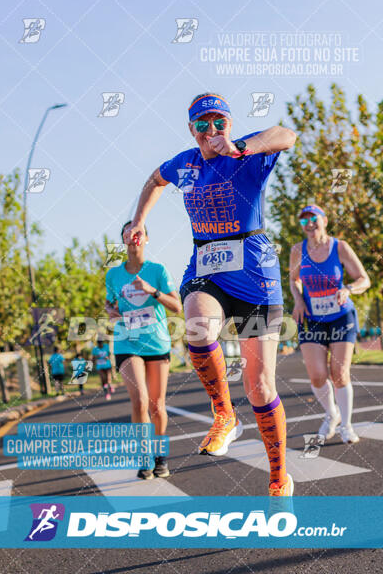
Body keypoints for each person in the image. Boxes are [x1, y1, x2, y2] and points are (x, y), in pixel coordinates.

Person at [123, 92, 297, 497]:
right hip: (207, 266)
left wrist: (242, 147)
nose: (211, 131)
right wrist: (139, 221)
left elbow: (287, 134)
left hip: (255, 274)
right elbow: (155, 179)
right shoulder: (185, 163)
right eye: (202, 124)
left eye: (219, 122)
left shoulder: (248, 152)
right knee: (198, 328)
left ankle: (278, 475)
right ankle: (224, 416)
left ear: (230, 125)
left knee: (260, 386)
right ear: (191, 130)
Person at [105, 221, 182, 480]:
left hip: (156, 342)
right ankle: (144, 456)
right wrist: (110, 310)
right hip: (127, 340)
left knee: (157, 406)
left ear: (146, 239)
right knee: (139, 400)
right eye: (129, 232)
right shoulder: (113, 275)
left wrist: (153, 291)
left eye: (139, 232)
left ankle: (160, 456)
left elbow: (177, 307)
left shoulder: (157, 270)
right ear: (125, 240)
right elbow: (109, 302)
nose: (134, 236)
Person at [290, 205, 371, 443]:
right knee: (317, 375)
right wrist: (298, 300)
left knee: (339, 373)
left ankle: (346, 425)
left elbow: (363, 279)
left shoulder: (340, 247)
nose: (310, 224)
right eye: (304, 221)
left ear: (324, 220)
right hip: (312, 317)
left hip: (341, 316)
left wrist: (348, 289)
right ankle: (331, 413)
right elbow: (294, 280)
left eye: (313, 218)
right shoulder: (297, 250)